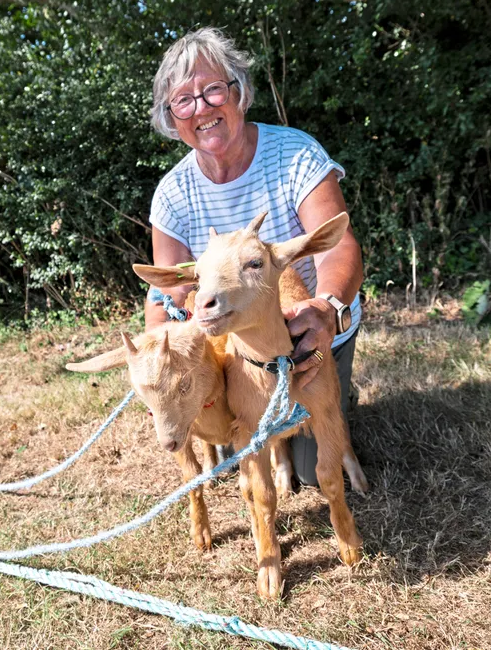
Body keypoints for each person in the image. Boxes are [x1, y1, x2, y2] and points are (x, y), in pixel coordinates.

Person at [144, 27, 363, 487]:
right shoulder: (172, 194)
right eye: (183, 100)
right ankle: (263, 423)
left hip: (309, 333)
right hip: (237, 352)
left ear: (239, 92)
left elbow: (339, 246)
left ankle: (338, 402)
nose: (201, 108)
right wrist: (163, 358)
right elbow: (166, 292)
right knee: (228, 433)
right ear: (172, 118)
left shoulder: (294, 153)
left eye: (212, 90)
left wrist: (327, 310)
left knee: (309, 470)